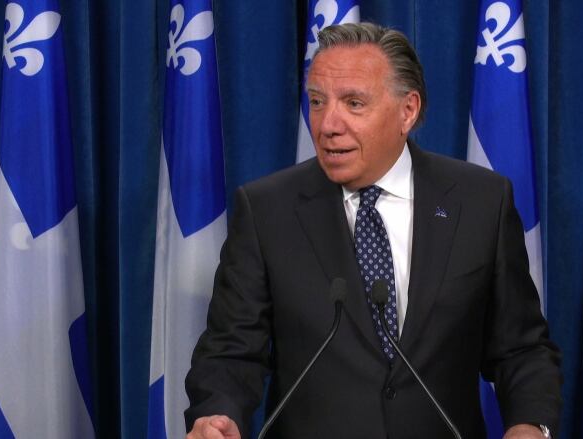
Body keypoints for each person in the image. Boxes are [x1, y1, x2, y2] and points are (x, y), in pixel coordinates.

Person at [185, 22, 561, 439]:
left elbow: (521, 348)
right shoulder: (266, 210)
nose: (328, 124)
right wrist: (216, 413)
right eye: (316, 101)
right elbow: (231, 352)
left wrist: (530, 425)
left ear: (408, 110)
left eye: (354, 103)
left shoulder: (481, 202)